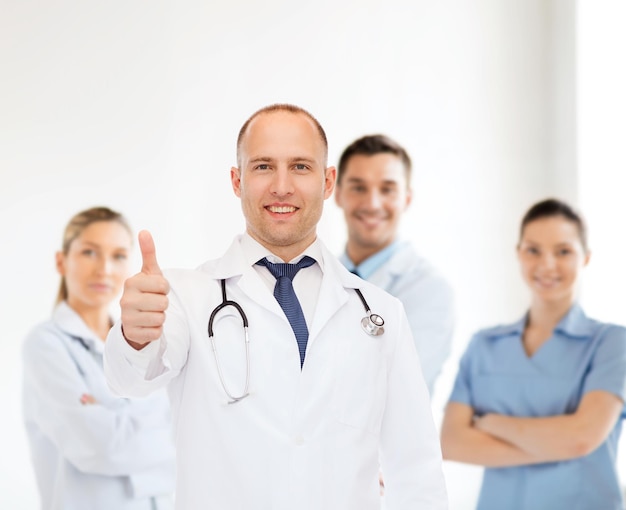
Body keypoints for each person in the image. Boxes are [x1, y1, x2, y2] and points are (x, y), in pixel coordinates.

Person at [103, 104, 448, 510]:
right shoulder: (185, 296)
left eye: (300, 167)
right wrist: (135, 335)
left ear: (327, 181)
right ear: (237, 180)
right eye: (263, 166)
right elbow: (132, 379)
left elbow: (416, 469)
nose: (281, 187)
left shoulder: (380, 313)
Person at [440, 198, 626, 510]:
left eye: (563, 251)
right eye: (533, 250)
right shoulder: (484, 345)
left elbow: (582, 437)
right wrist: (560, 444)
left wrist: (491, 424)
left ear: (586, 257)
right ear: (518, 254)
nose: (547, 264)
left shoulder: (611, 343)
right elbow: (451, 442)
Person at [22, 207, 176, 510]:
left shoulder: (145, 343)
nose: (104, 268)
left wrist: (122, 425)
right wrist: (169, 436)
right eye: (90, 253)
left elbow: (187, 432)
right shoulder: (45, 346)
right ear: (61, 261)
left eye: (118, 256)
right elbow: (101, 447)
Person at [334, 134, 454, 394]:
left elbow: (398, 390)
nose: (372, 204)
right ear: (337, 193)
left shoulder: (429, 290)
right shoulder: (313, 279)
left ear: (407, 199)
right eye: (358, 187)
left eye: (387, 189)